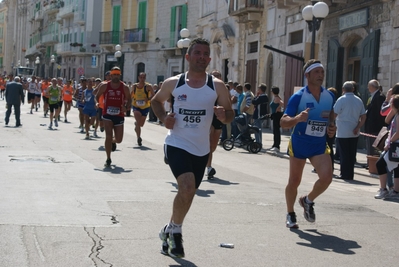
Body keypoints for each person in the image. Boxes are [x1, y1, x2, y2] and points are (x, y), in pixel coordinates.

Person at [151, 38, 234, 258]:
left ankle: (169, 228)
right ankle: (176, 233)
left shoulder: (216, 86)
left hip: (201, 148)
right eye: (197, 53)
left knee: (189, 194)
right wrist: (162, 118)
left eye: (205, 54)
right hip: (176, 142)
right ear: (188, 57)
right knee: (186, 187)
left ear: (209, 58)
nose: (202, 57)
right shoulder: (173, 83)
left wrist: (224, 116)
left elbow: (229, 113)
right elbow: (155, 102)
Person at [280, 59, 336, 229]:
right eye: (317, 72)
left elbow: (330, 115)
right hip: (300, 143)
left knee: (327, 178)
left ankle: (308, 200)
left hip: (318, 144)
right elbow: (283, 121)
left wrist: (332, 127)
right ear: (307, 75)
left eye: (322, 72)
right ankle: (290, 213)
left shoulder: (329, 96)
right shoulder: (298, 97)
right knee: (294, 181)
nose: (320, 75)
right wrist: (297, 118)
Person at [95, 67, 131, 167]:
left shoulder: (124, 87)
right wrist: (97, 103)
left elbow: (129, 99)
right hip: (107, 114)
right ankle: (108, 158)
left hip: (119, 114)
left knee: (119, 139)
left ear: (120, 75)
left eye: (117, 74)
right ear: (111, 75)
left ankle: (113, 142)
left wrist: (126, 107)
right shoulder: (105, 86)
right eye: (114, 74)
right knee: (108, 136)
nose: (115, 76)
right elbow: (97, 96)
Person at [333, 81, 366, 180]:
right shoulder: (358, 100)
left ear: (343, 89)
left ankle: (344, 173)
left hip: (343, 131)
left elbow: (334, 113)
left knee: (343, 154)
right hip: (354, 131)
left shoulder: (341, 100)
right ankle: (350, 174)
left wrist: (332, 124)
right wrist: (358, 127)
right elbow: (363, 116)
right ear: (353, 89)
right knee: (352, 154)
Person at [374, 94, 399, 199]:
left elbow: (398, 132)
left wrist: (389, 143)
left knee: (380, 164)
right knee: (397, 167)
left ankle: (384, 189)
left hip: (395, 145)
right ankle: (395, 191)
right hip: (395, 144)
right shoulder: (396, 115)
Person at [206, 70, 224, 179]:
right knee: (208, 143)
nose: (216, 77)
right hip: (209, 117)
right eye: (214, 76)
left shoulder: (223, 89)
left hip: (219, 119)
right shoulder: (206, 88)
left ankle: (206, 161)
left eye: (218, 76)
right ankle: (209, 167)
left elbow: (228, 104)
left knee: (213, 146)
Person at [131, 72, 155, 146]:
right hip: (136, 106)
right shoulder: (134, 86)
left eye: (143, 77)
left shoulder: (148, 86)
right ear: (138, 78)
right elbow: (130, 95)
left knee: (141, 124)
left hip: (145, 107)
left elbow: (154, 95)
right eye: (141, 77)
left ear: (145, 78)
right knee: (138, 123)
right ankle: (139, 138)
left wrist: (148, 99)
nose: (142, 79)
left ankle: (136, 126)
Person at [365, 79, 386, 158]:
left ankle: (372, 162)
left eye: (369, 86)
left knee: (373, 147)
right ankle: (369, 162)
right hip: (370, 126)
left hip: (375, 127)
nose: (368, 88)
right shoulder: (373, 96)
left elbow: (379, 113)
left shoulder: (379, 97)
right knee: (369, 146)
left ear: (372, 87)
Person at [252, 83, 269, 147]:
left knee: (257, 129)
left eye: (258, 88)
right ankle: (258, 142)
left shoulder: (262, 97)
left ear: (261, 89)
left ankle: (258, 142)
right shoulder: (265, 96)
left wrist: (256, 96)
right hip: (261, 115)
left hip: (259, 115)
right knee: (258, 128)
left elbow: (254, 102)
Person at [269, 86, 284, 151]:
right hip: (274, 114)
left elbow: (282, 103)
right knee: (275, 130)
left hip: (277, 115)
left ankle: (277, 146)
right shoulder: (275, 97)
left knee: (276, 130)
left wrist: (278, 108)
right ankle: (275, 144)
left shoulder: (277, 98)